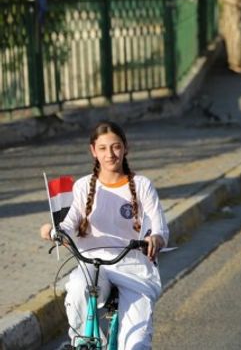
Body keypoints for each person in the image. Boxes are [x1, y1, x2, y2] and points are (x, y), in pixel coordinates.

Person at [39, 121, 169, 350]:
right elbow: (69, 223)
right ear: (93, 151)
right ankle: (84, 342)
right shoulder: (82, 186)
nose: (110, 154)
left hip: (133, 268)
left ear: (125, 148)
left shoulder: (142, 185)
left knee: (136, 344)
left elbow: (160, 225)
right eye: (102, 148)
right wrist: (55, 231)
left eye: (116, 146)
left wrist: (156, 238)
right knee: (78, 287)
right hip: (94, 263)